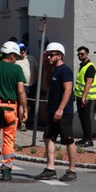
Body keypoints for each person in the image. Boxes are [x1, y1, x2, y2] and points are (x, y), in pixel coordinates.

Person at [0, 41, 28, 181]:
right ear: (12, 56)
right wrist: (25, 108)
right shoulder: (16, 70)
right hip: (10, 107)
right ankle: (6, 171)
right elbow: (21, 91)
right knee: (8, 140)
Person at [34, 42, 77, 182]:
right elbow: (46, 88)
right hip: (52, 111)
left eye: (51, 55)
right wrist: (46, 69)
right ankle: (50, 169)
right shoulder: (54, 71)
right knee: (48, 138)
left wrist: (61, 108)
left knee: (68, 140)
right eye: (47, 55)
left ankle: (72, 171)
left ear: (60, 55)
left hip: (63, 112)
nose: (49, 57)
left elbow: (68, 90)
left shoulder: (65, 70)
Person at [74, 46, 96, 147]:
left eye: (82, 54)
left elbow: (88, 83)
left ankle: (88, 139)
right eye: (78, 54)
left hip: (86, 97)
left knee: (86, 118)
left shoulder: (90, 67)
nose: (80, 55)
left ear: (87, 54)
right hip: (80, 96)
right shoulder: (82, 66)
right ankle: (85, 138)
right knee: (82, 117)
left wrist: (84, 96)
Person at [16, 42, 32, 132]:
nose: (22, 52)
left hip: (32, 85)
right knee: (22, 103)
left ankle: (25, 119)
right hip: (22, 85)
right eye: (20, 50)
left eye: (23, 50)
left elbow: (36, 70)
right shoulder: (16, 61)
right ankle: (23, 123)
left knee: (29, 105)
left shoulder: (31, 58)